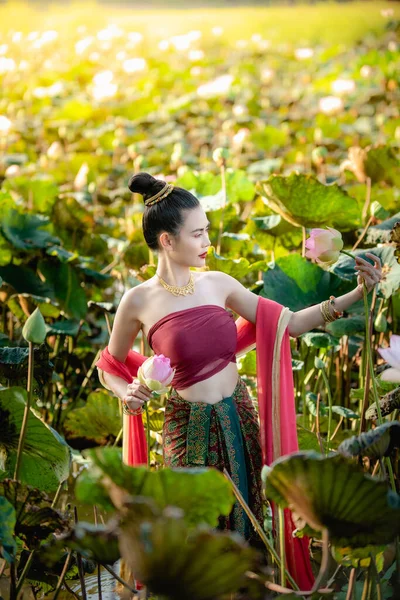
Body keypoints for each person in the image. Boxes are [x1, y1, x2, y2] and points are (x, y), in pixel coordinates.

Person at [97, 172, 382, 589]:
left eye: (207, 231)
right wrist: (129, 393)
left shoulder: (219, 284)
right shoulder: (138, 300)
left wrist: (354, 294)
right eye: (197, 234)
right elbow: (108, 366)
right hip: (185, 427)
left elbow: (289, 323)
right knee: (196, 529)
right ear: (167, 241)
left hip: (238, 417)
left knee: (250, 518)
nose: (207, 242)